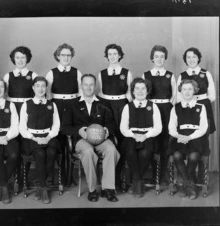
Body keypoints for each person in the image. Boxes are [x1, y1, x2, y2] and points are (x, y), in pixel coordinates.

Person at [63, 74, 120, 202]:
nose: (88, 87)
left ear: (95, 86)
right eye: (86, 84)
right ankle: (92, 190)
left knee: (111, 149)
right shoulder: (72, 104)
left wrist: (107, 130)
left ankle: (108, 189)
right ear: (81, 86)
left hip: (101, 139)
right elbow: (64, 127)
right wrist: (78, 131)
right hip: (81, 140)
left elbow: (112, 124)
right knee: (88, 152)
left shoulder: (104, 103)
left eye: (91, 84)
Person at [176, 47, 216, 184]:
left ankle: (200, 176)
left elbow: (212, 95)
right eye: (188, 57)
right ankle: (190, 177)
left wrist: (198, 105)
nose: (191, 60)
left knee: (201, 140)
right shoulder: (182, 75)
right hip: (187, 109)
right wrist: (189, 104)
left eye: (194, 57)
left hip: (203, 106)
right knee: (188, 139)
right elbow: (178, 96)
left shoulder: (206, 74)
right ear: (185, 59)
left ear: (198, 58)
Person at [45, 43, 82, 185]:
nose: (66, 58)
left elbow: (80, 93)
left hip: (72, 106)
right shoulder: (51, 73)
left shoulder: (77, 72)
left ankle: (69, 176)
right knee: (58, 141)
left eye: (68, 55)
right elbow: (47, 95)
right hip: (57, 107)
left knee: (71, 142)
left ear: (71, 56)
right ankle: (58, 175)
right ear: (58, 56)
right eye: (63, 55)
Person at [19, 76, 60, 204]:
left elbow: (56, 125)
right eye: (38, 86)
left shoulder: (52, 104)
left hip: (48, 136)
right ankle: (43, 188)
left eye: (43, 86)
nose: (41, 89)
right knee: (40, 154)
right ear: (33, 88)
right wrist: (34, 138)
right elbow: (22, 127)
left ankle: (39, 187)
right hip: (31, 138)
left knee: (52, 152)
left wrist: (48, 137)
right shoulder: (27, 104)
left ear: (46, 88)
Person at [97, 44, 133, 189]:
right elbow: (98, 93)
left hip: (122, 106)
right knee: (110, 138)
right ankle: (110, 180)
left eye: (115, 54)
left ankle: (121, 177)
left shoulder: (126, 72)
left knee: (123, 140)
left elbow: (131, 93)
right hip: (107, 106)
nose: (112, 56)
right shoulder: (102, 73)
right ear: (107, 56)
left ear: (120, 55)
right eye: (110, 54)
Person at [120, 77, 162, 197]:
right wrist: (134, 135)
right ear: (132, 91)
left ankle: (135, 183)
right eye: (137, 88)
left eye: (143, 88)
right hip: (131, 136)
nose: (140, 91)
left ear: (147, 91)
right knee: (130, 152)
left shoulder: (153, 106)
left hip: (149, 136)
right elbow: (123, 128)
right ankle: (138, 183)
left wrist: (146, 136)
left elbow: (158, 127)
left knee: (144, 154)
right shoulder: (127, 107)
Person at [3, 46, 39, 185]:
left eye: (23, 57)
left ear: (27, 59)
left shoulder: (33, 75)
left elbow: (39, 95)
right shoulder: (8, 76)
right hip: (12, 110)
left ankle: (24, 177)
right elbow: (3, 97)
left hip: (28, 110)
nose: (20, 60)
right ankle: (13, 176)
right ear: (13, 59)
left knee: (26, 143)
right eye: (17, 57)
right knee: (14, 143)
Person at [168, 79, 208, 200]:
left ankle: (185, 185)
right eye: (184, 89)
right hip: (180, 138)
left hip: (196, 138)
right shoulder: (175, 108)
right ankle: (189, 185)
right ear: (180, 91)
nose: (187, 92)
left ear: (195, 90)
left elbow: (203, 128)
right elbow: (171, 128)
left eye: (190, 89)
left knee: (193, 156)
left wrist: (190, 137)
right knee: (176, 155)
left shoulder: (201, 107)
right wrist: (180, 137)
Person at [142, 45, 177, 185]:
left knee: (165, 142)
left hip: (167, 109)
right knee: (152, 141)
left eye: (162, 56)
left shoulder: (170, 75)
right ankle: (154, 175)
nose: (159, 59)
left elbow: (174, 96)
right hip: (151, 109)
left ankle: (163, 175)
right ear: (152, 58)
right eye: (156, 56)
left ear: (165, 58)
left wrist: (169, 108)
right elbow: (143, 93)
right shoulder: (146, 75)